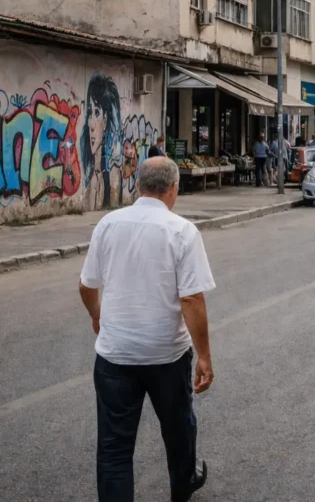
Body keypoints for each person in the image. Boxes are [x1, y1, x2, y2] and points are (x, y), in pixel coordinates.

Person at [78, 158, 215, 502]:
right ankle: (182, 485)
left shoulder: (108, 224)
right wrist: (204, 356)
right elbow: (192, 299)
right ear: (174, 189)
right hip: (166, 356)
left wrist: (97, 316)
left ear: (138, 186)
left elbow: (87, 285)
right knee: (178, 427)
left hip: (115, 355)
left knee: (114, 448)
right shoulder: (182, 231)